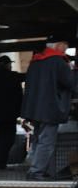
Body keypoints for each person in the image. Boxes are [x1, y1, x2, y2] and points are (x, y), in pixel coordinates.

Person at [22, 35, 76, 180]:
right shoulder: (59, 62)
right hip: (51, 108)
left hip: (35, 108)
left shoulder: (36, 62)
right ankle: (36, 171)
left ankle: (38, 168)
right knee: (47, 141)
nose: (66, 48)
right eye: (65, 45)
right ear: (58, 45)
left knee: (38, 139)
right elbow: (70, 83)